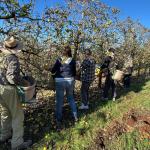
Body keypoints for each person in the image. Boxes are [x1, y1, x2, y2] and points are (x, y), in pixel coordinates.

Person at [0, 36, 32, 149]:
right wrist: (24, 82)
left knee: (5, 112)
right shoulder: (12, 58)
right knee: (18, 115)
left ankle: (4, 135)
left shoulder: (1, 56)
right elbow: (11, 78)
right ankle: (17, 143)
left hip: (0, 88)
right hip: (9, 89)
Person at [51, 46, 78, 128]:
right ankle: (75, 117)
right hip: (70, 80)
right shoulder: (72, 60)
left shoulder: (59, 59)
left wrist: (54, 76)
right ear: (70, 52)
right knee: (71, 98)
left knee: (59, 101)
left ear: (63, 52)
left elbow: (53, 70)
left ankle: (59, 119)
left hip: (59, 81)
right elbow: (74, 72)